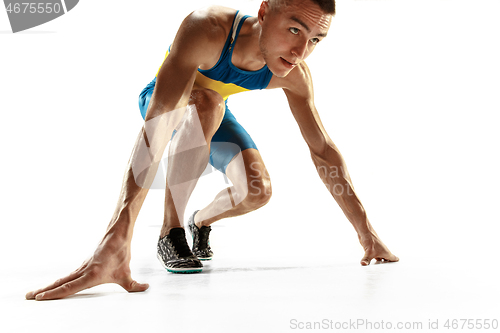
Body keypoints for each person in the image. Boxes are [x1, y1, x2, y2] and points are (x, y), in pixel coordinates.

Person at [25, 0, 398, 301]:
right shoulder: (208, 28)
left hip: (212, 112)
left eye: (316, 39)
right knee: (208, 104)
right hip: (166, 101)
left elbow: (323, 151)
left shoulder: (294, 74)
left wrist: (366, 232)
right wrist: (116, 237)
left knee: (258, 191)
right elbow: (157, 127)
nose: (301, 50)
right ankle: (170, 233)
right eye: (294, 29)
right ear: (265, 12)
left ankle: (200, 222)